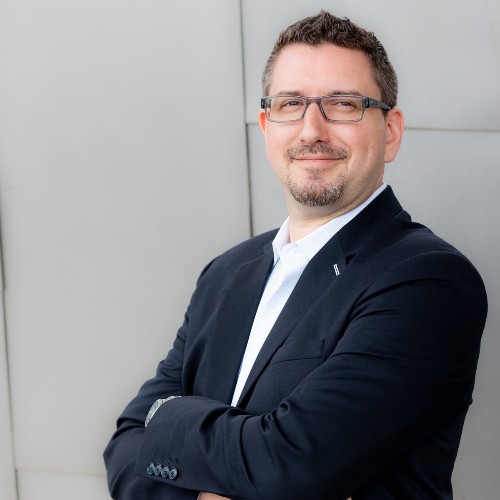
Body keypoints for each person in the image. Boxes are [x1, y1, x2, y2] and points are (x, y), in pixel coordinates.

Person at [104, 11, 487, 500]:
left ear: (390, 131)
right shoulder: (225, 274)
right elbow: (125, 448)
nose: (311, 130)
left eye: (343, 104)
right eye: (290, 104)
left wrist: (167, 419)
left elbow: (289, 465)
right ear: (267, 126)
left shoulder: (427, 281)